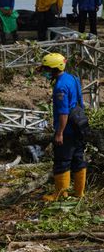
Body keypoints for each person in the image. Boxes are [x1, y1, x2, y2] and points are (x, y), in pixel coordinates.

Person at [39, 53, 88, 201]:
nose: (45, 73)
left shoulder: (60, 87)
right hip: (79, 125)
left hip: (67, 130)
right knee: (78, 158)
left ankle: (60, 195)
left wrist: (59, 133)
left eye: (47, 70)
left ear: (54, 69)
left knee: (62, 161)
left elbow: (63, 113)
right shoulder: (72, 78)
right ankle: (79, 192)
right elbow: (80, 101)